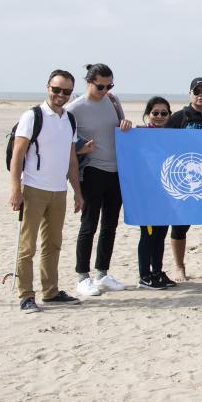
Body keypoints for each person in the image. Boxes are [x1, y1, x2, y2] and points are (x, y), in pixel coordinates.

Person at [8, 70, 85, 312]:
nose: (61, 95)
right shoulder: (33, 116)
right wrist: (15, 189)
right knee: (27, 246)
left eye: (66, 91)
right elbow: (17, 155)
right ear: (48, 87)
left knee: (53, 244)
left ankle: (50, 292)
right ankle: (26, 295)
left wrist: (77, 191)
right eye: (56, 90)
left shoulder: (69, 120)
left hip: (58, 191)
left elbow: (71, 159)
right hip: (33, 188)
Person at [67, 62, 133, 297]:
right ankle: (82, 276)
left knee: (110, 225)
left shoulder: (113, 101)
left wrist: (126, 124)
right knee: (89, 225)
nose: (105, 90)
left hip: (116, 171)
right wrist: (81, 147)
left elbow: (120, 128)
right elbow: (66, 143)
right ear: (89, 82)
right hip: (93, 171)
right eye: (100, 86)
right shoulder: (74, 109)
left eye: (109, 85)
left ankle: (102, 273)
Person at [165, 76, 202, 281]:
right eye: (196, 91)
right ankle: (180, 267)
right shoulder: (178, 118)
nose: (201, 95)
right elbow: (163, 144)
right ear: (190, 93)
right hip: (183, 181)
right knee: (180, 225)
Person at [136, 97, 178, 290]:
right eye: (155, 113)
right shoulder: (139, 135)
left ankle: (157, 271)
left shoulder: (172, 136)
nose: (159, 117)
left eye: (164, 113)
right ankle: (144, 275)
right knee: (148, 235)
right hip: (146, 197)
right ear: (148, 115)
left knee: (161, 234)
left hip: (166, 196)